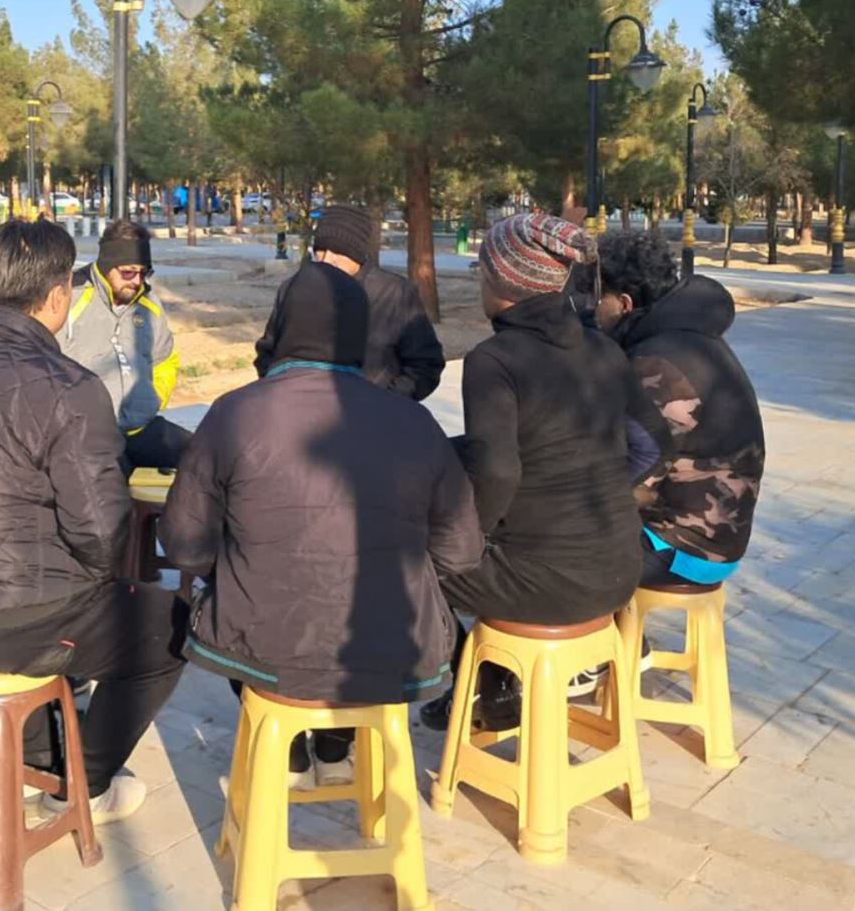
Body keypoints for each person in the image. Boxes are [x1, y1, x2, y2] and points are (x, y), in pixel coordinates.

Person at [0, 219, 186, 824]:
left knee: (57, 597)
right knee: (170, 627)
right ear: (56, 296)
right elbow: (102, 535)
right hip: (14, 625)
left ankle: (36, 756)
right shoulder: (67, 388)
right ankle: (82, 784)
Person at [164, 260, 482, 786]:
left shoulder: (234, 413)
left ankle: (288, 754)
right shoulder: (414, 422)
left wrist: (241, 564)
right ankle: (335, 749)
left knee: (237, 605)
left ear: (280, 327)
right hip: (390, 649)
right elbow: (461, 551)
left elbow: (183, 545)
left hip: (264, 645)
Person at [420, 213, 673, 732]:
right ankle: (494, 683)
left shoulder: (494, 360)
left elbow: (497, 472)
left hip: (552, 583)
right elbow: (653, 442)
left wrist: (473, 536)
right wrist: (595, 488)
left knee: (415, 561)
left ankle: (483, 686)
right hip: (620, 569)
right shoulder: (603, 348)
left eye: (482, 272)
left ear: (501, 280)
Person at [596, 230, 765, 588]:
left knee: (547, 545)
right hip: (714, 540)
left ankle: (607, 630)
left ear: (624, 303)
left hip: (682, 549)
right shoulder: (687, 339)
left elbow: (630, 474)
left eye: (599, 297)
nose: (592, 308)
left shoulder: (657, 365)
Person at [255, 205, 445, 401]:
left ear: (357, 254)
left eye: (337, 252)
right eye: (320, 250)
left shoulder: (395, 293)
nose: (327, 259)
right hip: (300, 408)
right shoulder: (295, 288)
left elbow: (425, 365)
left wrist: (385, 402)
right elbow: (267, 353)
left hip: (370, 412)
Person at [63, 220, 191, 471]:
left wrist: (151, 399)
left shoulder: (149, 304)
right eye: (128, 273)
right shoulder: (70, 298)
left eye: (144, 273)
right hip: (87, 436)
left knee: (206, 458)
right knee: (112, 484)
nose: (137, 281)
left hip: (142, 428)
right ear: (107, 264)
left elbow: (165, 360)